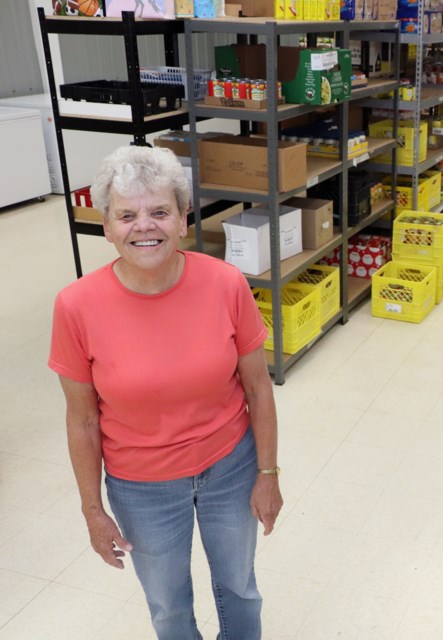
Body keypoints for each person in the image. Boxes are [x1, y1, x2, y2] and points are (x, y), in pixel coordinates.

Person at [48, 145, 283, 640]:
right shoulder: (75, 307)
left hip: (231, 469)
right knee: (169, 608)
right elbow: (82, 420)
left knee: (240, 588)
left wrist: (267, 473)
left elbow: (258, 389)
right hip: (142, 487)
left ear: (182, 219)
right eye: (127, 215)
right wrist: (93, 510)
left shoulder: (225, 283)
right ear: (106, 225)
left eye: (160, 211)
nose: (144, 226)